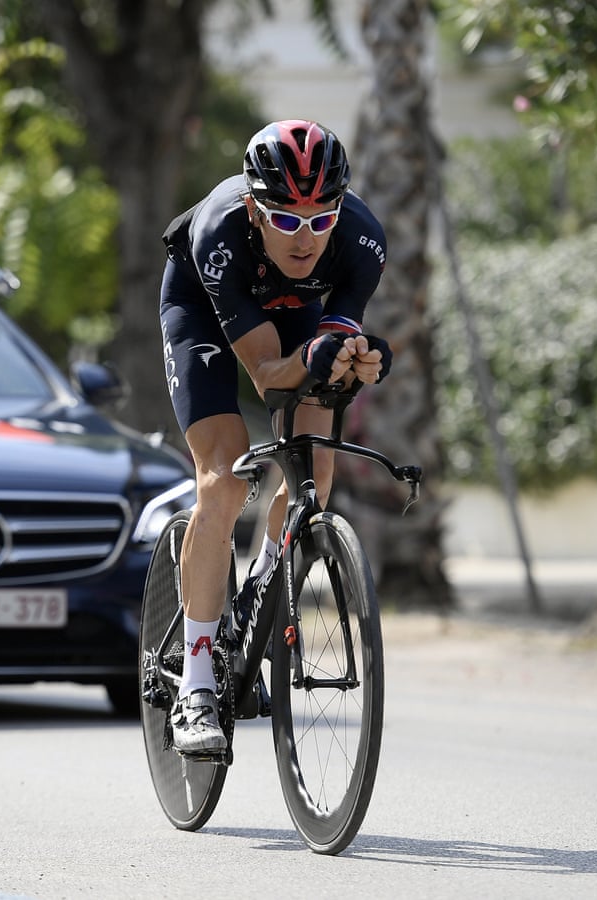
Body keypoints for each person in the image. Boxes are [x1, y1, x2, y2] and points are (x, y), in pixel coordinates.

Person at [157, 119, 392, 753]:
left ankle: (261, 583)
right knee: (226, 478)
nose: (306, 237)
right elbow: (267, 375)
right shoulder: (221, 235)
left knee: (315, 472)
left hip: (297, 318)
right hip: (204, 308)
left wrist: (358, 359)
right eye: (286, 220)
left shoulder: (363, 242)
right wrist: (323, 356)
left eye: (321, 219)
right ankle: (196, 686)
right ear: (255, 210)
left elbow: (333, 346)